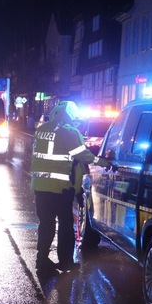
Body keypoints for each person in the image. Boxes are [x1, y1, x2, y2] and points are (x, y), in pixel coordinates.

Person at [31, 101, 113, 276]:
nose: (77, 124)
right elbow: (84, 156)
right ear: (70, 116)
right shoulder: (70, 132)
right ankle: (65, 261)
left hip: (40, 186)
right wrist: (104, 162)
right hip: (60, 188)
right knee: (66, 225)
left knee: (46, 224)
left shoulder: (42, 130)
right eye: (76, 120)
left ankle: (42, 260)